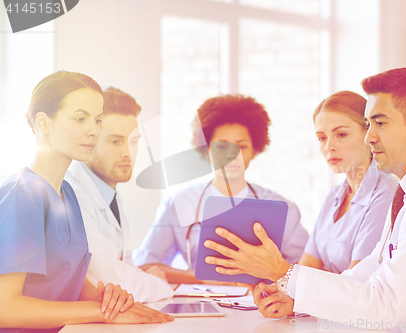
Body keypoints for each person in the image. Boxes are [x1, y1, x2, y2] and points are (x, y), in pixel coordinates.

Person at [203, 68, 406, 330]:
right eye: (369, 124)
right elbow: (367, 274)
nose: (370, 137)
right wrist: (295, 296)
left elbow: (383, 306)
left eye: (380, 124)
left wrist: (284, 271)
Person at [0, 71, 172, 333]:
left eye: (98, 120)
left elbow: (74, 282)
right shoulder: (21, 197)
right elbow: (5, 309)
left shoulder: (67, 193)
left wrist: (112, 301)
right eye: (80, 118)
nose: (93, 131)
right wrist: (99, 311)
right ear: (44, 123)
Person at [133, 94, 309, 284]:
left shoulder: (283, 208)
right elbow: (145, 266)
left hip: (263, 307)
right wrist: (202, 278)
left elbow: (307, 269)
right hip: (200, 304)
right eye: (221, 147)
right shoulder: (178, 205)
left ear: (255, 150)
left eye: (241, 146)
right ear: (206, 149)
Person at [64, 86, 174, 302]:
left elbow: (120, 262)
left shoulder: (108, 191)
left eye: (133, 141)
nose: (128, 153)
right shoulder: (73, 195)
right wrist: (158, 283)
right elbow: (110, 281)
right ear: (89, 140)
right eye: (115, 141)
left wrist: (145, 277)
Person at [298, 91, 396, 273]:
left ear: (369, 134)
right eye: (322, 138)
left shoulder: (386, 194)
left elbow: (356, 283)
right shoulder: (334, 196)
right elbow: (305, 270)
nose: (329, 147)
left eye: (341, 134)